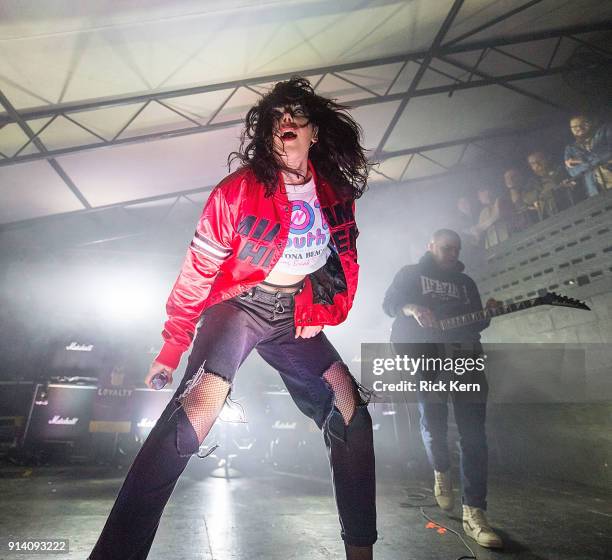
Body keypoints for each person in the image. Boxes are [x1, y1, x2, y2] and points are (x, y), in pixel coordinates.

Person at [88, 77, 377, 560]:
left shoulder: (334, 194)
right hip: (240, 307)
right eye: (276, 117)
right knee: (196, 411)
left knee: (351, 414)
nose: (286, 122)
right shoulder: (237, 192)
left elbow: (344, 265)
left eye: (296, 115)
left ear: (314, 134)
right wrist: (171, 348)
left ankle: (361, 554)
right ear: (266, 135)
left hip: (294, 315)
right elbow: (197, 274)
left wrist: (319, 307)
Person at [382, 229, 503, 549]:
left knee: (474, 434)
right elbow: (390, 304)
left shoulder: (466, 284)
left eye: (457, 249)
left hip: (465, 356)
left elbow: (474, 323)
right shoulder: (411, 274)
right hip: (428, 358)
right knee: (433, 426)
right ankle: (440, 470)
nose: (452, 254)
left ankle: (475, 513)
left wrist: (487, 314)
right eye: (446, 248)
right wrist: (413, 309)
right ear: (431, 246)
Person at [565, 113, 612, 196]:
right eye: (574, 126)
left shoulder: (605, 130)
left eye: (583, 124)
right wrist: (590, 162)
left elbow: (609, 152)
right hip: (596, 192)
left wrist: (580, 161)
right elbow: (572, 171)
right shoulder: (570, 148)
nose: (579, 128)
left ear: (591, 123)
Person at [527, 151, 575, 219]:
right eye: (533, 163)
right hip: (549, 220)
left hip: (570, 211)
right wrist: (539, 194)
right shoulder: (532, 182)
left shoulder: (559, 170)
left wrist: (543, 192)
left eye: (539, 160)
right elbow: (526, 199)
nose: (537, 164)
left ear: (546, 159)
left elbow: (555, 182)